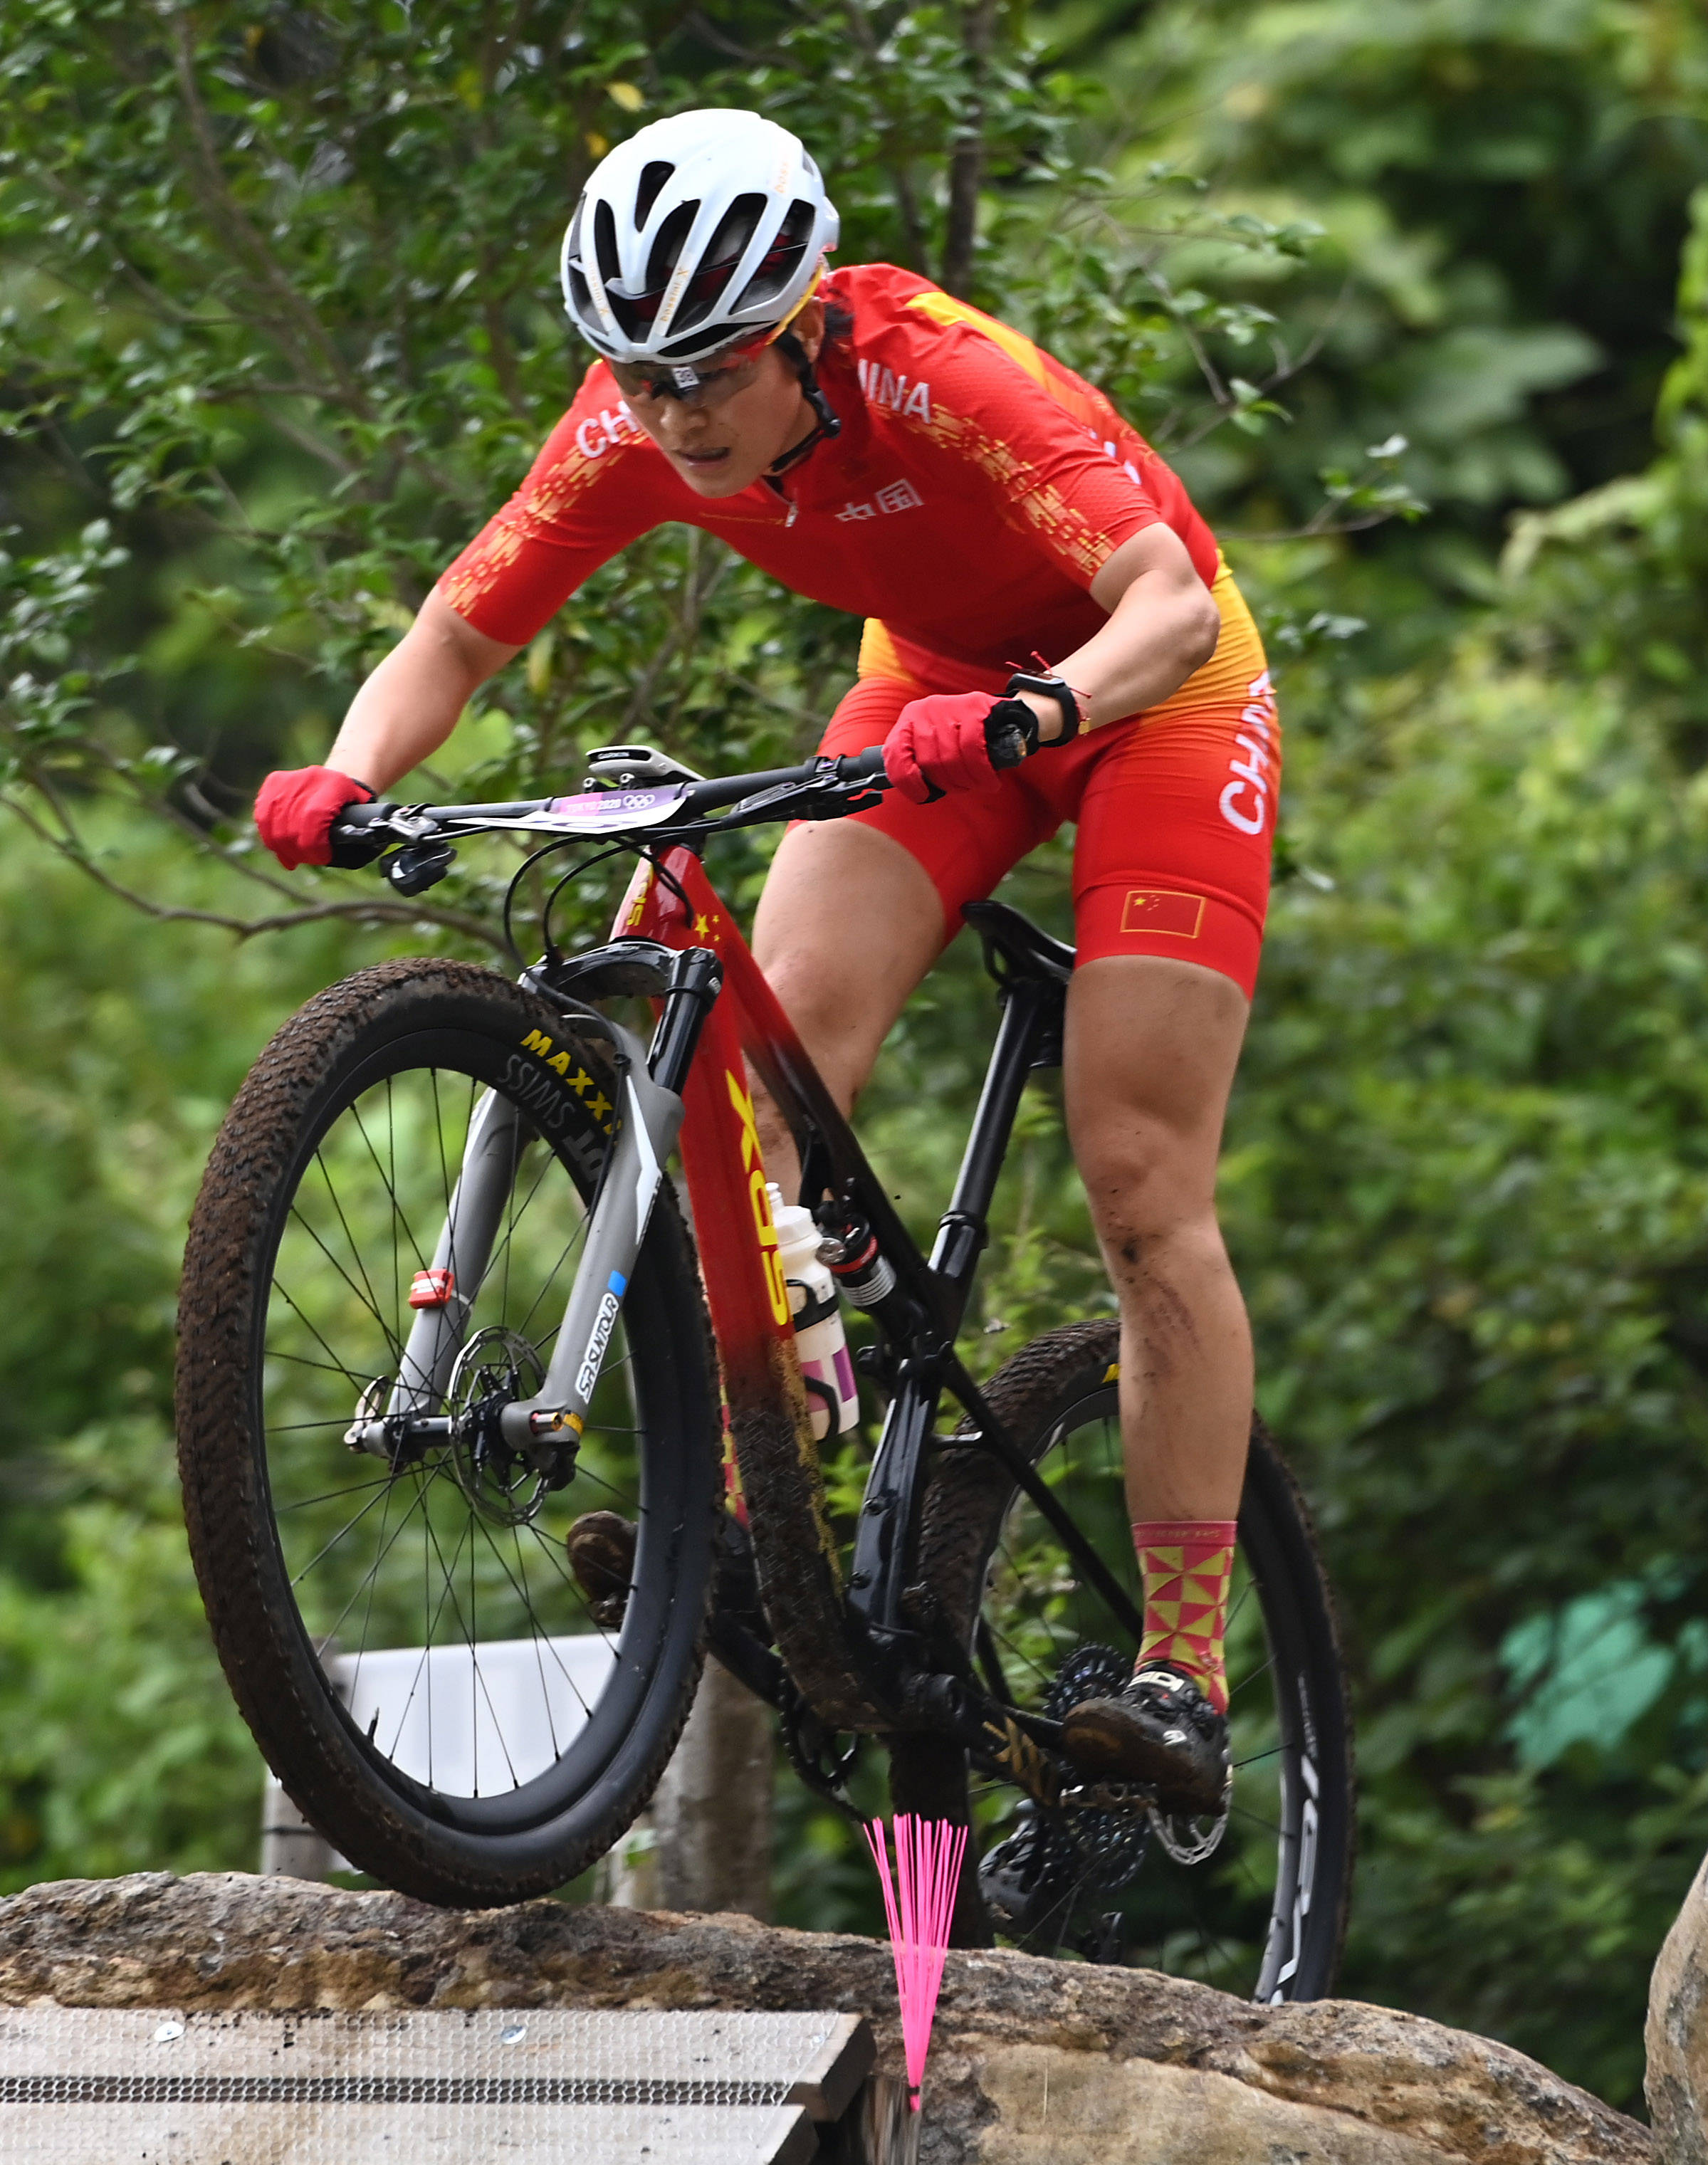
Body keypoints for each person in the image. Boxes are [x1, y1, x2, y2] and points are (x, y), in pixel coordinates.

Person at [251, 108, 1281, 1813]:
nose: (672, 415)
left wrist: (1040, 711)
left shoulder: (945, 377)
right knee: (765, 1066)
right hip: (940, 683)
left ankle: (1183, 1666)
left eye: (710, 373)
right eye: (637, 378)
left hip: (1153, 695)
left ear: (806, 325)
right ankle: (768, 1497)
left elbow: (1168, 602)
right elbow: (457, 630)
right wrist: (348, 777)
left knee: (1141, 1181)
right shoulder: (628, 428)